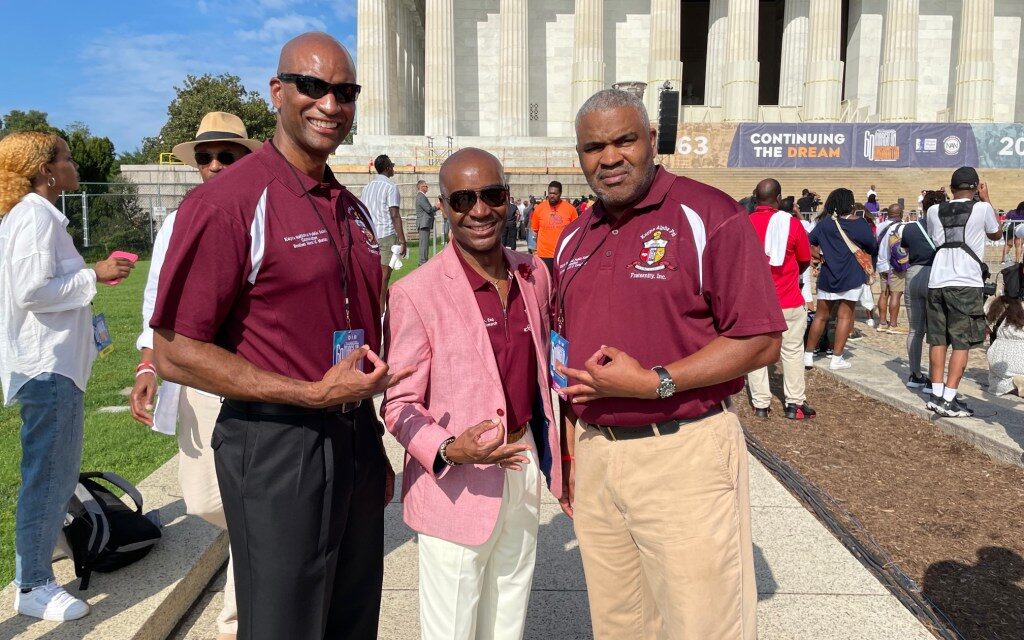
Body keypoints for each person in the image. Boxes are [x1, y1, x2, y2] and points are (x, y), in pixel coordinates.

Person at [149, 33, 413, 640]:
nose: (330, 104)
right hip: (275, 442)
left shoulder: (350, 207)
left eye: (345, 92)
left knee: (351, 620)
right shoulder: (232, 202)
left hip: (350, 437)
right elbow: (173, 349)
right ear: (278, 92)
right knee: (283, 625)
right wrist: (309, 394)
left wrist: (366, 436)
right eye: (313, 86)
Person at [556, 89, 784, 640]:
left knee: (701, 624)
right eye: (593, 147)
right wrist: (568, 443)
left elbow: (759, 339)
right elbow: (564, 350)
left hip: (683, 451)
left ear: (652, 141)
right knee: (619, 626)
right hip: (597, 456)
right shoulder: (573, 237)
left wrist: (655, 381)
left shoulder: (708, 214)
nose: (609, 158)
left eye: (624, 140)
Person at [382, 148, 562, 640]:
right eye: (463, 199)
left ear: (508, 198)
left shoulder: (534, 274)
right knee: (453, 627)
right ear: (443, 206)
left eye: (491, 195)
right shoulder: (415, 293)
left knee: (509, 611)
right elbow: (397, 404)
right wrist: (445, 448)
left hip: (521, 461)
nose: (479, 210)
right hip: (454, 482)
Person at [128, 112, 261, 640]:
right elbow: (156, 294)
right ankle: (266, 552)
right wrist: (146, 360)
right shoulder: (180, 217)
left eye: (225, 156)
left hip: (241, 372)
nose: (212, 166)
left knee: (240, 496)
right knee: (205, 498)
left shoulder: (260, 211)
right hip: (188, 373)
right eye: (204, 157)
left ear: (244, 159)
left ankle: (238, 615)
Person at [0, 132, 134, 621]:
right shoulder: (35, 215)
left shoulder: (32, 216)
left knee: (51, 473)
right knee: (49, 476)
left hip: (52, 366)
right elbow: (33, 290)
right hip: (47, 366)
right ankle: (33, 583)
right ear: (46, 171)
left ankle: (35, 568)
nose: (75, 166)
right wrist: (94, 274)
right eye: (68, 159)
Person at [924, 167, 1002, 417]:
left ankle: (936, 394)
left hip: (937, 279)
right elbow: (996, 233)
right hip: (966, 281)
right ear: (976, 187)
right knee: (962, 341)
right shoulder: (982, 208)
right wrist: (986, 197)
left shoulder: (934, 211)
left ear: (951, 188)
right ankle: (949, 398)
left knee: (937, 338)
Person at [746, 180, 815, 420]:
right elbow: (805, 259)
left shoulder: (744, 223)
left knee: (756, 352)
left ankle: (761, 404)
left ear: (756, 198)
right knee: (793, 350)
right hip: (787, 298)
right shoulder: (792, 224)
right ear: (778, 198)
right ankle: (794, 402)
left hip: (755, 301)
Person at [804, 189, 878, 371]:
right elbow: (872, 246)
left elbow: (808, 241)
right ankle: (836, 358)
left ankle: (808, 355)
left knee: (821, 316)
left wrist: (819, 255)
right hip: (852, 275)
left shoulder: (826, 224)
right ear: (851, 203)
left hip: (828, 274)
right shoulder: (860, 224)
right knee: (845, 316)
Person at [901, 192, 943, 389]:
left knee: (915, 330)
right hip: (935, 274)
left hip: (913, 273)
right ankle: (935, 379)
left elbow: (907, 248)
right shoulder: (944, 227)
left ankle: (915, 373)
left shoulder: (910, 227)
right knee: (937, 331)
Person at [362, 154, 407, 309]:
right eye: (392, 166)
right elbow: (394, 214)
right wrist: (402, 240)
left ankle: (374, 308)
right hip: (386, 234)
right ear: (388, 168)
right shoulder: (390, 187)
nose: (393, 168)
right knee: (384, 277)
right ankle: (380, 312)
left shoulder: (367, 187)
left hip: (369, 236)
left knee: (374, 276)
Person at [530, 180, 578, 273]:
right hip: (544, 255)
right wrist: (535, 250)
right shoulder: (539, 208)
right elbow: (535, 231)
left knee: (561, 283)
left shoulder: (570, 209)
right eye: (550, 193)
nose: (552, 195)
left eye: (555, 193)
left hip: (563, 253)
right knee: (547, 282)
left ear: (560, 193)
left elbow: (576, 231)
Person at [875, 204, 908, 334]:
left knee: (884, 293)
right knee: (896, 293)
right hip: (895, 265)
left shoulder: (881, 226)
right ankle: (893, 324)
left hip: (882, 263)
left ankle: (882, 323)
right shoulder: (901, 227)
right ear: (900, 213)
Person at [985, 285, 1024, 396]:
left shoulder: (997, 305)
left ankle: (1012, 384)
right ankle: (1018, 381)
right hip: (1021, 356)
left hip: (999, 355)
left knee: (996, 381)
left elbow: (985, 326)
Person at [415, 179, 440, 265]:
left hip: (424, 224)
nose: (427, 187)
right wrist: (437, 206)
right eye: (426, 186)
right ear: (422, 187)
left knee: (424, 244)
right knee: (424, 244)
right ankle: (423, 262)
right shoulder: (421, 197)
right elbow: (429, 209)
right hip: (423, 224)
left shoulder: (421, 196)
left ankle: (423, 261)